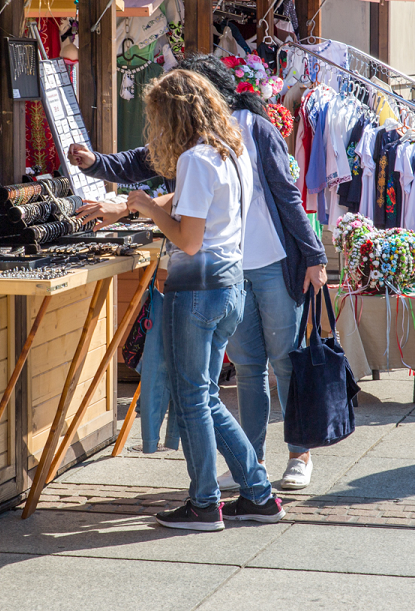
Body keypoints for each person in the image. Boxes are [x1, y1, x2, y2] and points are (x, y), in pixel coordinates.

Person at [68, 54, 329, 490]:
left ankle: (298, 454)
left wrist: (314, 255)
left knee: (283, 363)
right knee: (247, 368)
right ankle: (252, 461)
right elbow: (146, 163)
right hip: (232, 270)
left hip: (270, 264)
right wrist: (96, 163)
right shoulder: (203, 143)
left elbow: (288, 197)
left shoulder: (248, 131)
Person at [123, 69, 284, 530]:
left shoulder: (195, 158)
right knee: (206, 395)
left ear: (172, 115)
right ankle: (257, 494)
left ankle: (205, 502)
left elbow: (189, 240)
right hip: (230, 282)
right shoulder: (232, 151)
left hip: (199, 287)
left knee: (192, 397)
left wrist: (148, 207)